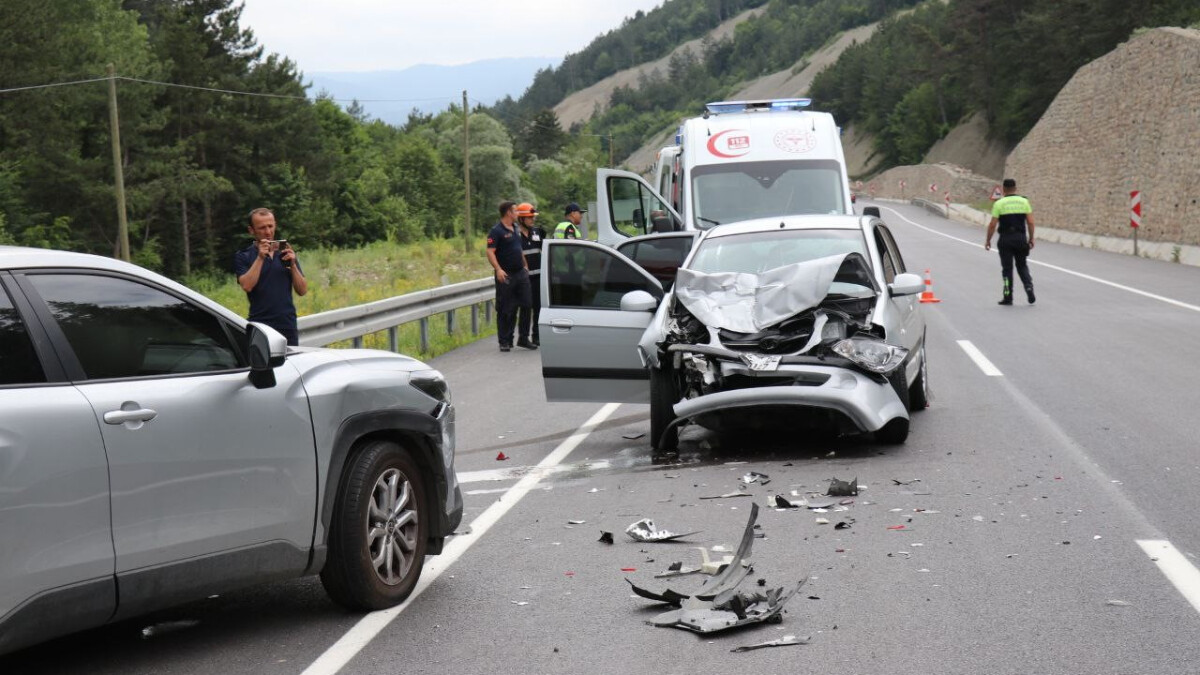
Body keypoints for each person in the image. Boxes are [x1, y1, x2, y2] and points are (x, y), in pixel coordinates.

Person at [234, 207, 308, 345]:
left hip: (287, 325)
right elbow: (247, 285)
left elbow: (302, 290)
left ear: (275, 225)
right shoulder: (243, 256)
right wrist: (260, 258)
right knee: (263, 366)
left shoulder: (286, 252)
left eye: (270, 226)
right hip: (260, 326)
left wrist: (293, 265)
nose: (268, 232)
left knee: (289, 366)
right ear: (251, 230)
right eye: (262, 228)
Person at [486, 201, 534, 352]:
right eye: (515, 211)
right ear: (508, 212)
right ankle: (505, 340)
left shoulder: (515, 228)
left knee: (527, 304)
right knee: (507, 308)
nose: (518, 213)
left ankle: (524, 338)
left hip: (520, 273)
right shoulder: (496, 231)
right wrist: (498, 269)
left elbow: (518, 249)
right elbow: (490, 251)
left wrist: (525, 266)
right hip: (506, 274)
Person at [985, 178, 1036, 305]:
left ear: (1003, 189)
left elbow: (992, 224)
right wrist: (1031, 238)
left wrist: (988, 240)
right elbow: (1030, 222)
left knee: (1007, 269)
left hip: (1005, 240)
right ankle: (1029, 287)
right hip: (1020, 239)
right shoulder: (1024, 201)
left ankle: (1008, 296)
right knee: (1022, 265)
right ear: (1015, 188)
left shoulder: (999, 204)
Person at [515, 202, 547, 347]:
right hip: (524, 278)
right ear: (521, 219)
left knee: (539, 307)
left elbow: (545, 250)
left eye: (533, 217)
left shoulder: (537, 232)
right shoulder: (514, 235)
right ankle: (523, 337)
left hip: (538, 277)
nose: (532, 220)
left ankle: (537, 336)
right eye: (529, 217)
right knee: (526, 307)